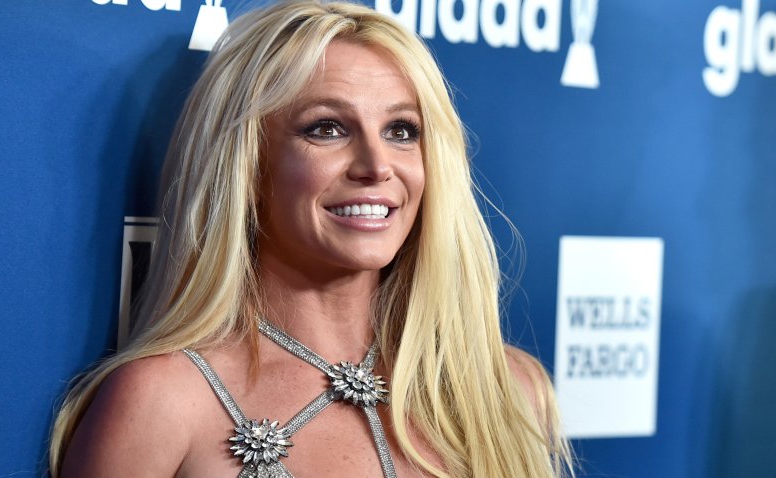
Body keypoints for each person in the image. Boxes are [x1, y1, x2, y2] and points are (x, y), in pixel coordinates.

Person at [49, 1, 574, 476]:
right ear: (248, 166)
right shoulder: (160, 403)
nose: (377, 165)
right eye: (326, 128)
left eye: (402, 131)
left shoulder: (507, 389)